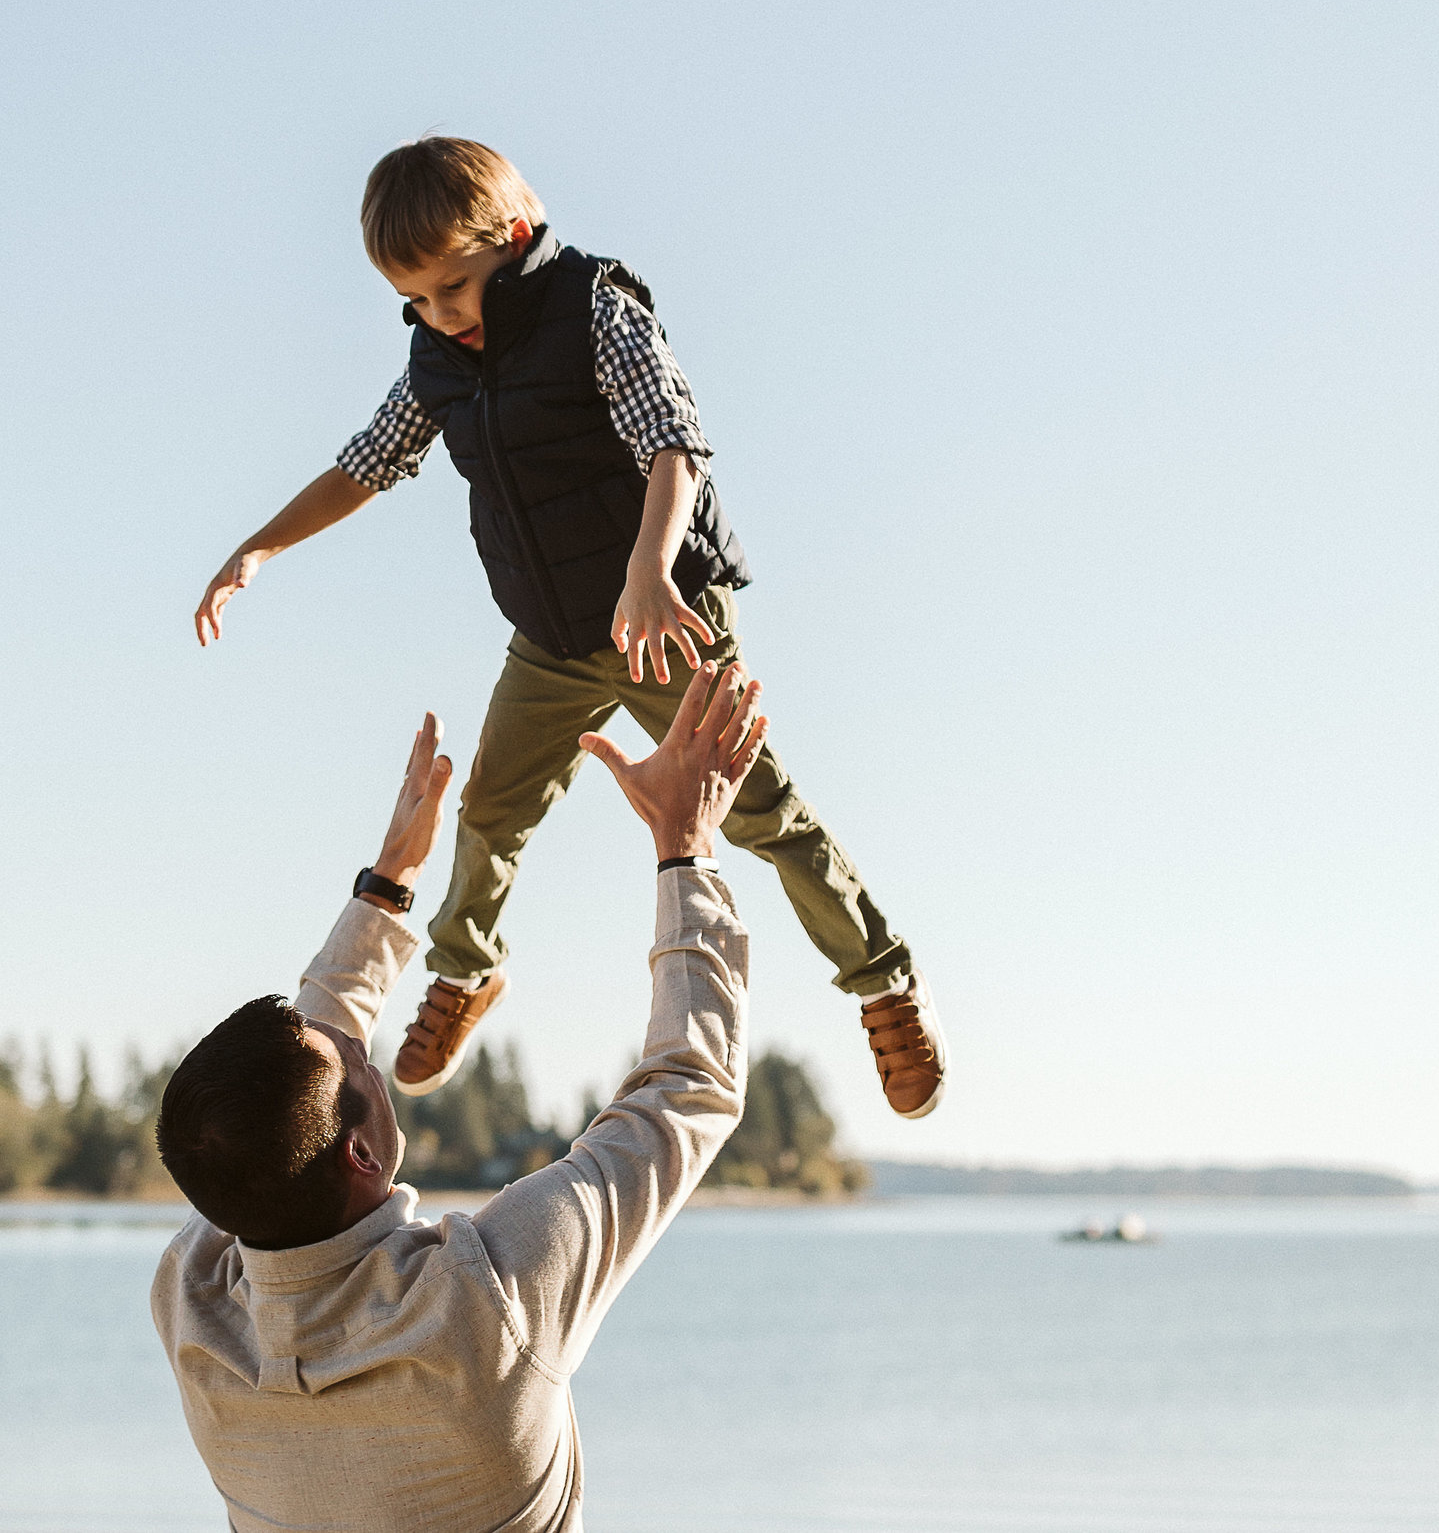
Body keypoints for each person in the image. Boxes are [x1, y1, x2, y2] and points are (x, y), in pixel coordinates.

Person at [191, 135, 945, 1118]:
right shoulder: (436, 358)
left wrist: (647, 569)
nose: (439, 313)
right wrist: (260, 546)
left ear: (508, 237)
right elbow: (366, 463)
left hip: (663, 615)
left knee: (760, 812)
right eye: (414, 299)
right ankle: (465, 970)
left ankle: (881, 979)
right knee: (492, 807)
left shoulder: (593, 307)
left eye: (453, 285)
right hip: (548, 636)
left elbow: (674, 442)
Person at [153, 663, 772, 1532]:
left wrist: (387, 886)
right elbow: (686, 1087)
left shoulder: (196, 1306)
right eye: (358, 1064)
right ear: (361, 1152)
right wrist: (687, 843)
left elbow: (276, 1111)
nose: (364, 1050)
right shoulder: (486, 1306)